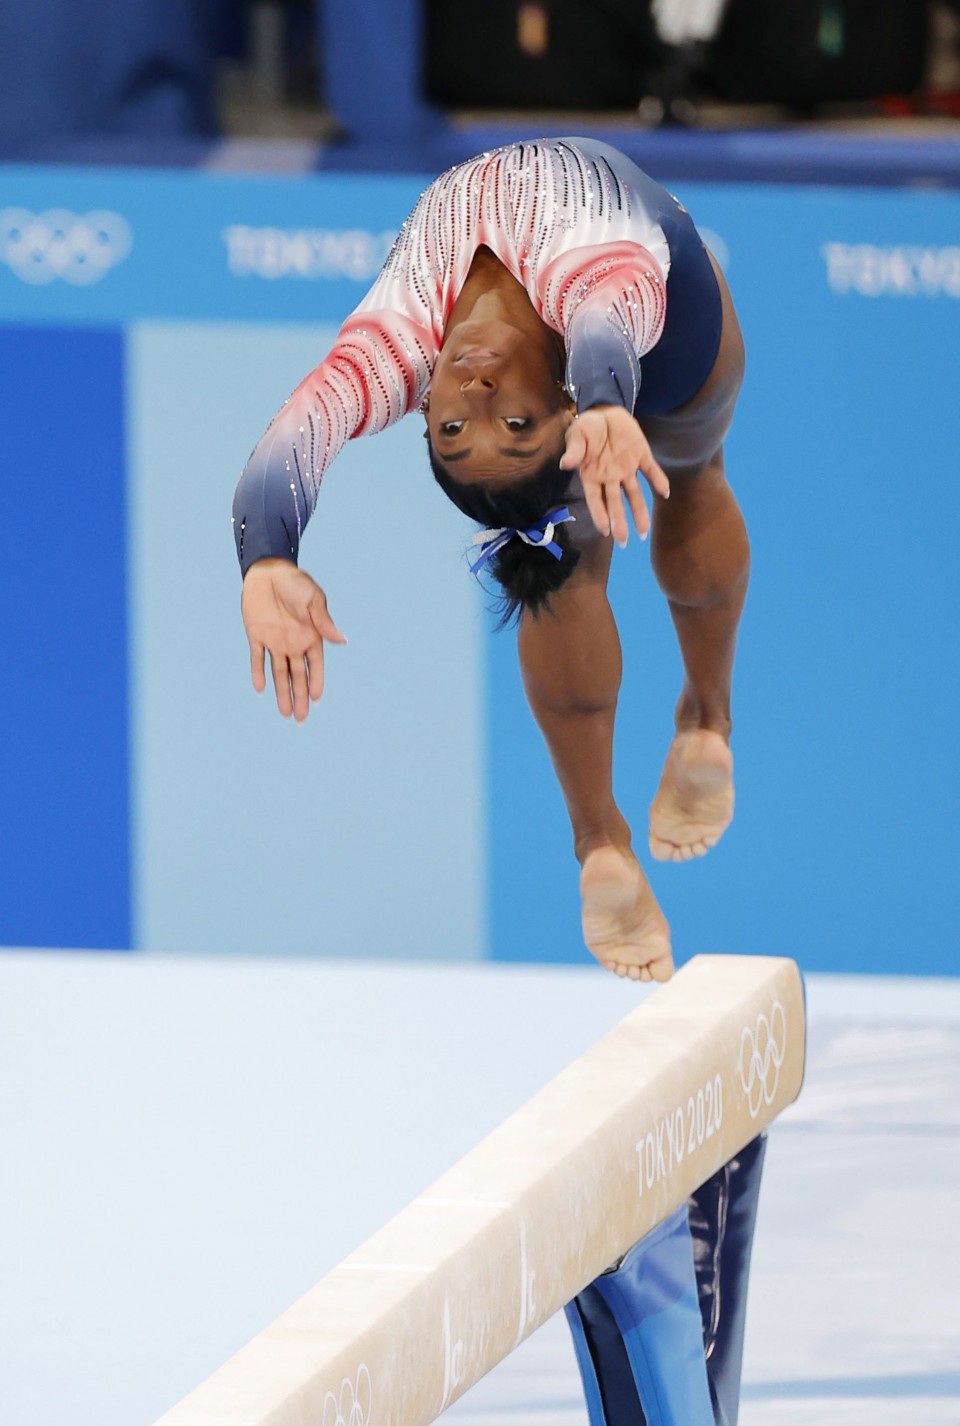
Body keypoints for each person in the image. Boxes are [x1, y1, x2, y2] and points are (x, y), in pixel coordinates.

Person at [233, 137, 748, 984]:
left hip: (613, 369)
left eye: (450, 431)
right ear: (561, 406)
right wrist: (609, 401)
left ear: (419, 409)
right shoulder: (587, 284)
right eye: (517, 426)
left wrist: (265, 557)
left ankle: (612, 825)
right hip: (670, 322)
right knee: (690, 477)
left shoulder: (396, 348)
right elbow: (602, 312)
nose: (476, 402)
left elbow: (298, 433)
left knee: (589, 550)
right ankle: (699, 733)